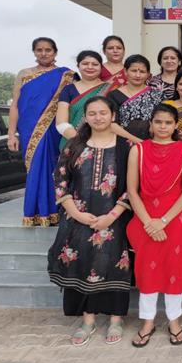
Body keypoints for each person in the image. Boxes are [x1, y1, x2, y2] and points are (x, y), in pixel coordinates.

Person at [47, 96, 132, 346]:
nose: (98, 117)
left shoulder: (126, 147)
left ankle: (116, 319)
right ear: (85, 117)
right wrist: (76, 213)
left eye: (103, 112)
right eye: (92, 113)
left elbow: (133, 186)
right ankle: (88, 320)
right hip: (78, 217)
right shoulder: (74, 145)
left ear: (113, 115)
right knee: (82, 262)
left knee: (115, 264)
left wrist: (111, 216)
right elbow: (60, 180)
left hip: (114, 218)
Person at [126, 104, 182, 347]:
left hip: (175, 220)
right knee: (147, 270)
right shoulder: (138, 150)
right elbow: (132, 191)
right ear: (151, 124)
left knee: (174, 268)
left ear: (176, 125)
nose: (163, 127)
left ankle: (174, 321)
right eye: (158, 122)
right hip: (145, 218)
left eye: (168, 123)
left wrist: (163, 221)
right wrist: (149, 223)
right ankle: (148, 321)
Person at [9, 37, 73, 226]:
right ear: (34, 52)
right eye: (39, 50)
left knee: (54, 167)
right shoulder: (24, 74)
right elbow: (15, 106)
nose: (44, 53)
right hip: (29, 129)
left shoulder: (66, 75)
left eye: (48, 50)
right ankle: (34, 212)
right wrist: (11, 134)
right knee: (34, 168)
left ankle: (54, 211)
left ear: (55, 52)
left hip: (54, 130)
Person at [56, 50, 116, 150]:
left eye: (95, 64)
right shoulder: (68, 89)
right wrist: (82, 143)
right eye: (85, 64)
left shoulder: (110, 89)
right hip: (72, 144)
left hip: (104, 144)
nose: (90, 67)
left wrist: (95, 143)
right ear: (78, 66)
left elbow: (114, 120)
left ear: (101, 67)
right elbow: (61, 123)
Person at [107, 54, 163, 141]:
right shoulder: (113, 95)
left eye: (142, 72)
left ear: (148, 74)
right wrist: (139, 142)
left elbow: (163, 120)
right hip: (123, 141)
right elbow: (111, 124)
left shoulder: (157, 94)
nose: (138, 75)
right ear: (125, 71)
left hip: (153, 142)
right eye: (134, 71)